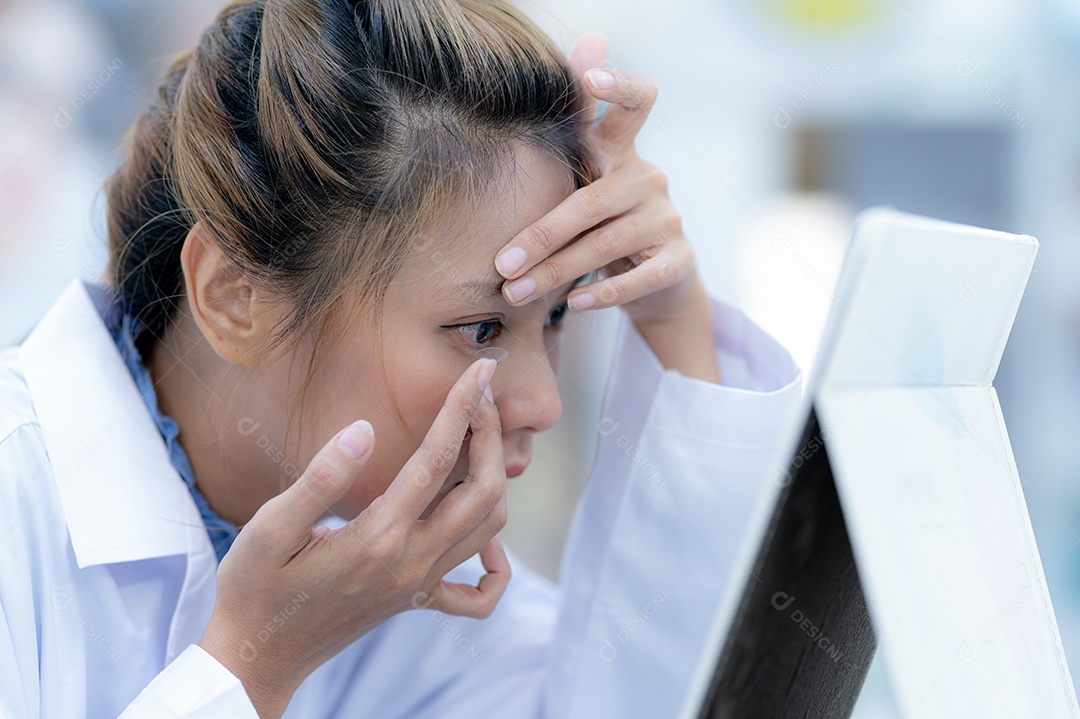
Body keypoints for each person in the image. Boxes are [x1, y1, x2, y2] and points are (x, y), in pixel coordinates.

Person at [0, 0, 801, 716]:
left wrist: (675, 321)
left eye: (554, 317)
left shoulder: (388, 567)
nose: (543, 404)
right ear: (232, 295)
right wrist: (253, 666)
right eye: (482, 328)